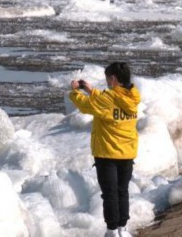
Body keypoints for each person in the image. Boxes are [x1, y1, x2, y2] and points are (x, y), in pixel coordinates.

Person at [69, 62, 141, 237]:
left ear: (113, 78)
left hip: (107, 153)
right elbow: (108, 100)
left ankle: (111, 231)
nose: (107, 81)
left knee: (110, 194)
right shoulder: (132, 96)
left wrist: (74, 92)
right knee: (122, 191)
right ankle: (123, 230)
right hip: (127, 152)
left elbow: (87, 106)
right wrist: (91, 90)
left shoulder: (108, 98)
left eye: (108, 78)